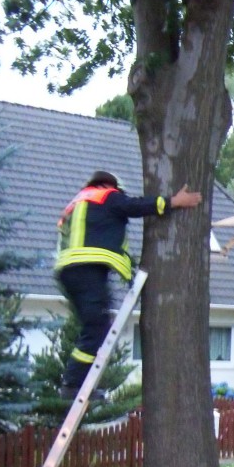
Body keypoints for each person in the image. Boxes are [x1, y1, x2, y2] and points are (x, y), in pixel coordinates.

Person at [55, 170, 203, 400]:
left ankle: (74, 382)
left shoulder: (78, 203)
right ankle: (72, 384)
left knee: (93, 327)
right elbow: (135, 206)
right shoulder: (107, 196)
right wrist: (174, 201)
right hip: (87, 268)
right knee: (96, 329)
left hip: (69, 271)